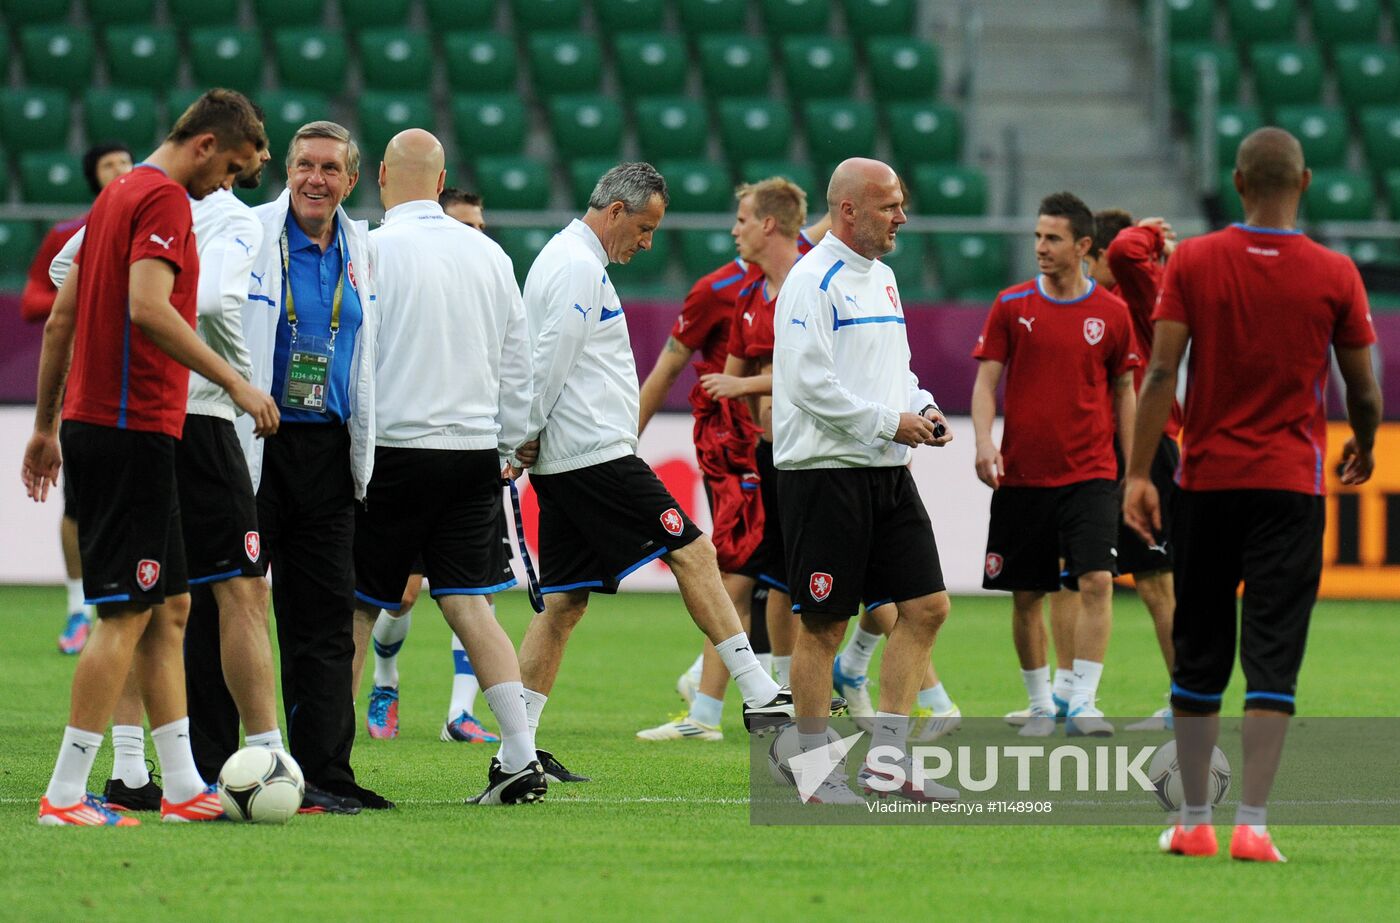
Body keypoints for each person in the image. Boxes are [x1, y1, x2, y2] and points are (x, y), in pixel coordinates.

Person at [1125, 127, 1381, 862]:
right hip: (1289, 487)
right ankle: (1256, 825)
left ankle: (1196, 819)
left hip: (1206, 482)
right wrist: (1363, 438)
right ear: (1304, 182)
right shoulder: (1336, 273)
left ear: (1237, 182)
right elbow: (1362, 385)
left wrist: (1140, 474)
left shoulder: (1197, 260)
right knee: (1274, 657)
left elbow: (1160, 371)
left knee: (1200, 653)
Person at [21, 89, 276, 826]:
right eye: (228, 169)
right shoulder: (163, 199)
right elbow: (148, 307)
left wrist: (43, 424)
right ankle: (66, 793)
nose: (225, 186)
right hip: (129, 424)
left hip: (116, 425)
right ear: (204, 145)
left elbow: (63, 313)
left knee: (171, 606)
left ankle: (181, 783)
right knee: (126, 613)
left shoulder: (116, 196)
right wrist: (234, 379)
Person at [515, 162, 801, 782]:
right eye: (644, 228)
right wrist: (521, 438)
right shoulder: (575, 268)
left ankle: (516, 753)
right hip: (594, 456)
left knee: (562, 605)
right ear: (615, 212)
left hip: (573, 457)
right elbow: (548, 362)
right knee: (695, 554)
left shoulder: (567, 259)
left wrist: (530, 439)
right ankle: (761, 694)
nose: (647, 242)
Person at [352, 129, 542, 803]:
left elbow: (358, 357)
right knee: (471, 604)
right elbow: (519, 361)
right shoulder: (489, 255)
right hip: (472, 454)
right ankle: (521, 753)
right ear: (441, 183)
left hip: (395, 451)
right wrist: (510, 446)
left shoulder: (368, 250)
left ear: (380, 176)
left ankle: (327, 762)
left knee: (357, 607)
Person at [772, 157, 956, 804]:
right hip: (825, 475)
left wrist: (924, 406)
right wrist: (891, 422)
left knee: (928, 605)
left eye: (901, 203)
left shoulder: (882, 277)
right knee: (822, 624)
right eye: (889, 206)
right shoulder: (810, 280)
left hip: (885, 469)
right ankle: (815, 771)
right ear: (849, 209)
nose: (901, 216)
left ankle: (888, 760)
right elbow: (807, 385)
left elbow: (897, 369)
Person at [238, 120, 389, 811]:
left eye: (331, 168)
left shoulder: (365, 251)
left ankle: (327, 774)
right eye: (304, 164)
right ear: (286, 170)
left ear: (351, 180)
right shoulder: (248, 235)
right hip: (252, 446)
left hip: (329, 450)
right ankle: (213, 765)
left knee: (325, 620)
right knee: (231, 606)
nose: (315, 178)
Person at [636, 178, 802, 742]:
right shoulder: (722, 291)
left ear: (768, 224)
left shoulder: (810, 280)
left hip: (800, 450)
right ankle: (724, 706)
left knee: (757, 576)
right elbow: (669, 368)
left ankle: (751, 699)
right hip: (737, 453)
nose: (734, 229)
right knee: (742, 571)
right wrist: (624, 437)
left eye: (742, 218)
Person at [971, 191, 1139, 739]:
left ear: (1083, 246)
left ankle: (1084, 701)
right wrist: (983, 442)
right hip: (1022, 474)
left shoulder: (1113, 314)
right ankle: (1041, 704)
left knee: (1096, 581)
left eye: (1052, 238)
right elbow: (986, 380)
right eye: (1037, 237)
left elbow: (1125, 391)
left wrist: (1131, 468)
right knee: (1027, 595)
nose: (1040, 247)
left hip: (1091, 472)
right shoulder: (1012, 305)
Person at [352, 185, 503, 746]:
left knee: (474, 596)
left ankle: (462, 714)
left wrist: (507, 443)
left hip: (469, 451)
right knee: (404, 593)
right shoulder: (400, 259)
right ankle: (385, 681)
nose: (474, 236)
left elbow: (511, 358)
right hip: (405, 452)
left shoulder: (483, 270)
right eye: (465, 225)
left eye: (480, 228)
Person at [21, 141, 134, 655]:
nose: (122, 170)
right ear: (94, 178)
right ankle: (75, 610)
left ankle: (135, 599)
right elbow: (33, 301)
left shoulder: (151, 222)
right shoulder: (68, 235)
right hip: (86, 380)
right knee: (78, 505)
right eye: (110, 165)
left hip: (139, 380)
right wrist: (93, 291)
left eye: (127, 163)